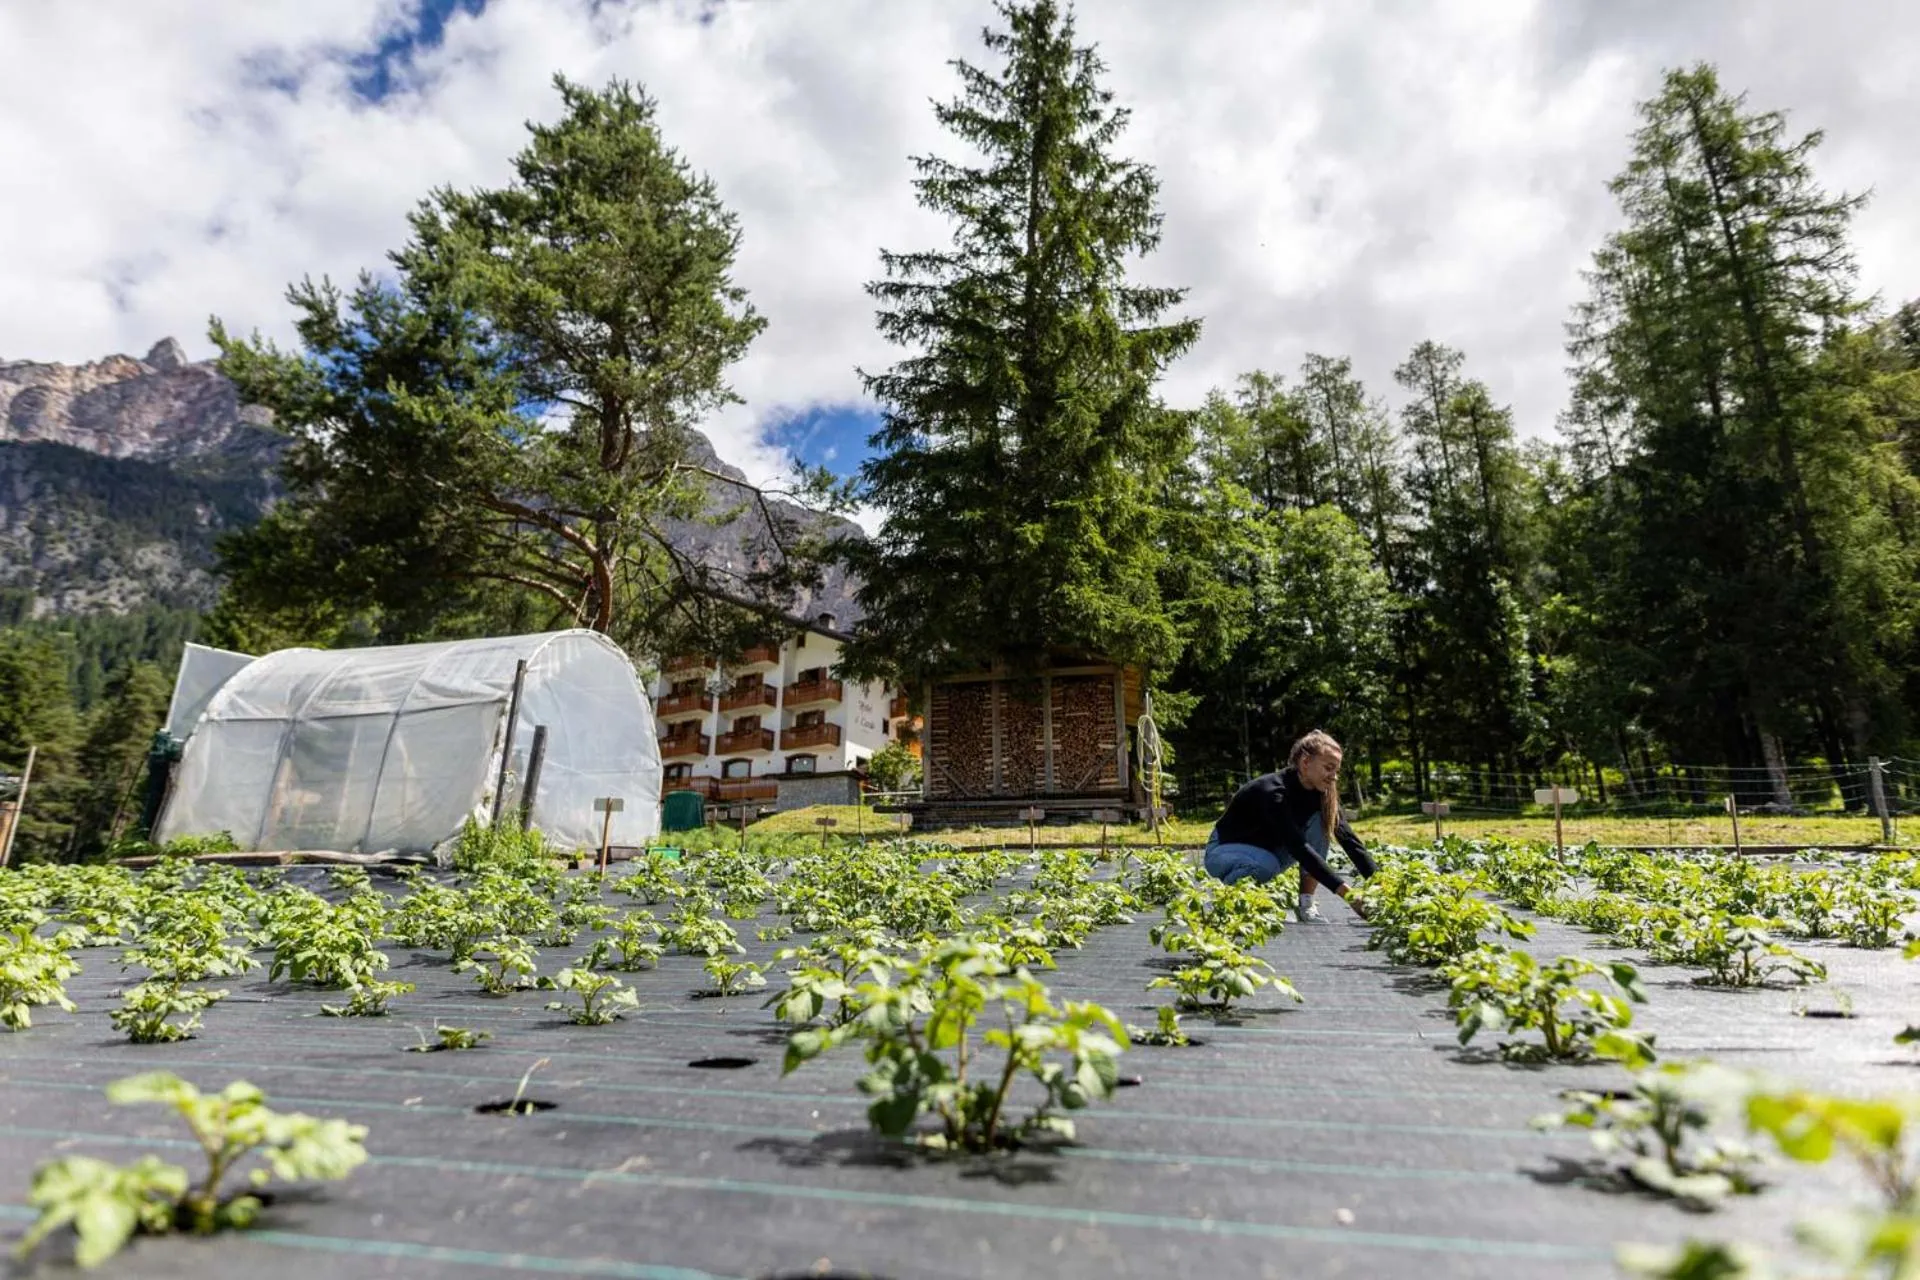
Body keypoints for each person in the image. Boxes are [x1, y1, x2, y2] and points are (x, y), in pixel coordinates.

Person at [1203, 729, 1376, 922]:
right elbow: (1298, 847)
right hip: (1224, 851)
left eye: (1337, 770)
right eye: (1328, 768)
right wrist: (1349, 895)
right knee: (1266, 865)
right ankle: (1220, 899)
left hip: (1269, 853)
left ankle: (1306, 905)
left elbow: (1349, 840)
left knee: (1321, 822)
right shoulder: (1274, 791)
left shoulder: (1322, 795)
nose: (1334, 776)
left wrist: (1382, 886)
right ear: (1305, 762)